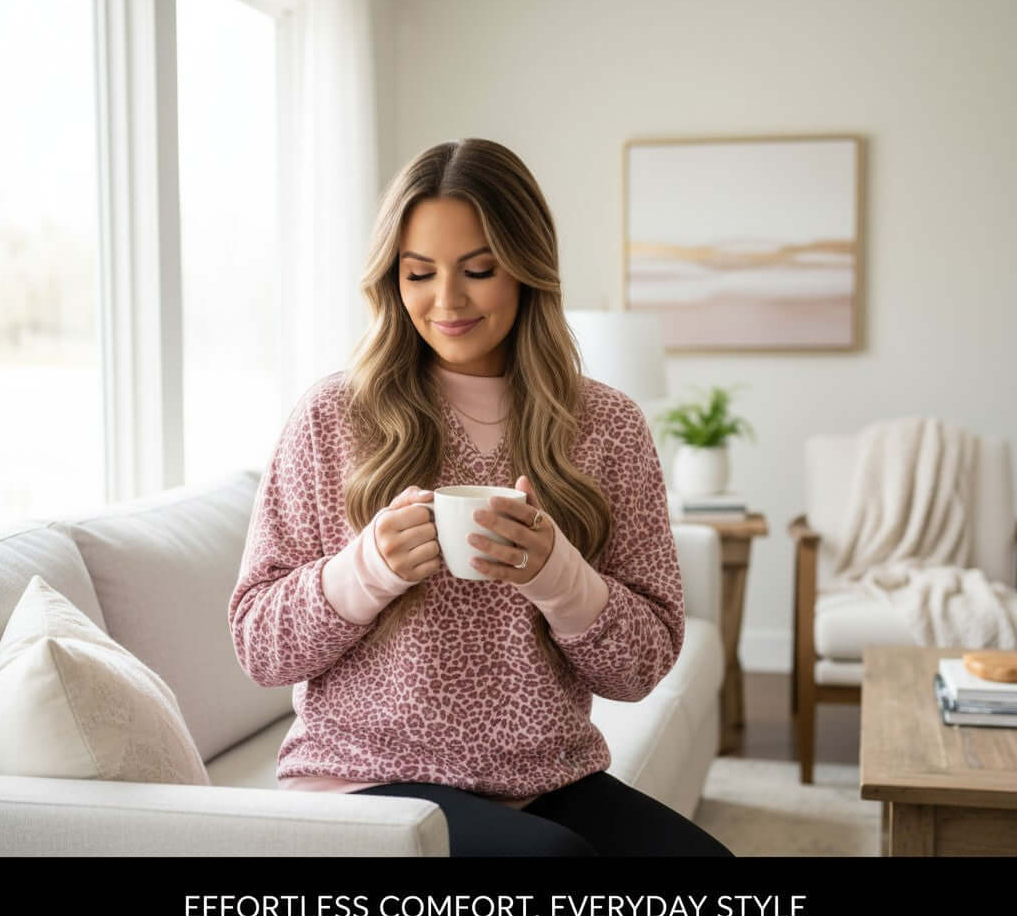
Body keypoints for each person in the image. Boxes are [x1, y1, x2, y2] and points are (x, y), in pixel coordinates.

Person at [228, 138, 733, 858]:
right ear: (391, 279)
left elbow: (642, 665)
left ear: (527, 268)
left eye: (478, 270)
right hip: (367, 780)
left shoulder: (609, 426)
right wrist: (366, 569)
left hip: (548, 778)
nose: (447, 300)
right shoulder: (333, 417)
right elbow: (258, 645)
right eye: (419, 273)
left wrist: (558, 576)